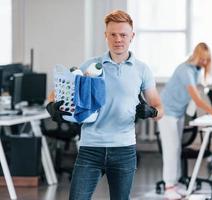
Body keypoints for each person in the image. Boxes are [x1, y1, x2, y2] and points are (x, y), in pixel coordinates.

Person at [46, 10, 163, 200]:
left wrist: (152, 111)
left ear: (132, 36)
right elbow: (57, 92)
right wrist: (51, 106)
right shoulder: (91, 65)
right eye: (113, 34)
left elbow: (159, 108)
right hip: (90, 148)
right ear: (105, 36)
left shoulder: (142, 69)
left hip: (123, 149)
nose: (118, 39)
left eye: (123, 34)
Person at [158, 42, 212, 199]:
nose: (204, 62)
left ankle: (175, 184)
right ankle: (168, 186)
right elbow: (197, 100)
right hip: (167, 112)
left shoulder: (196, 70)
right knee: (171, 150)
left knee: (176, 149)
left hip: (178, 113)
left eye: (207, 60)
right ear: (196, 55)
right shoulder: (186, 71)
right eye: (202, 59)